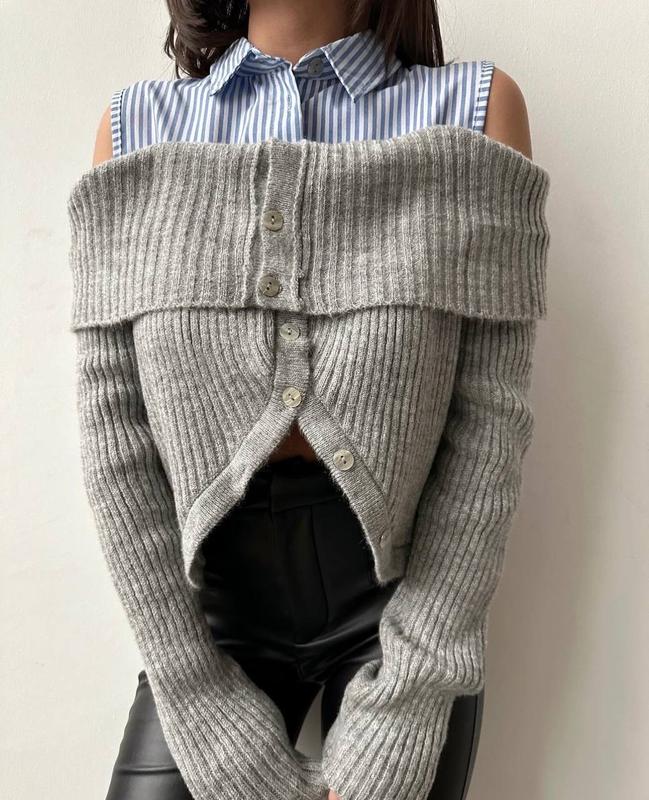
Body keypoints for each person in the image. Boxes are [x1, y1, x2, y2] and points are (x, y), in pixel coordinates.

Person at [68, 1, 550, 799]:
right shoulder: (136, 128)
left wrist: (409, 698)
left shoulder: (475, 109)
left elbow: (488, 428)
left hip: (406, 614)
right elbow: (113, 433)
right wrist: (195, 696)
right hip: (210, 619)